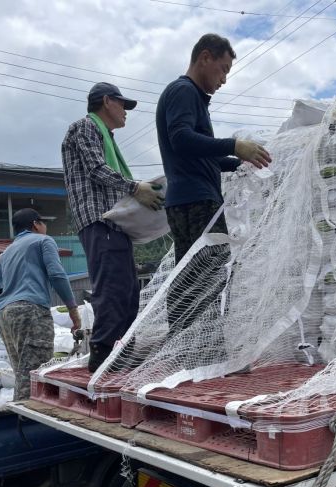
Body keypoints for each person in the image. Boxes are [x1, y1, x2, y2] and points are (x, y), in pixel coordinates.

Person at [62, 82, 164, 372]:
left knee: (129, 289)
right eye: (123, 105)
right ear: (107, 102)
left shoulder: (105, 135)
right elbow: (96, 168)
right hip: (99, 219)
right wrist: (135, 188)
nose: (126, 113)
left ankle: (124, 349)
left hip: (113, 222)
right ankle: (104, 354)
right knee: (112, 286)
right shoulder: (84, 127)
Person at [156, 33, 272, 263]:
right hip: (196, 202)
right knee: (206, 280)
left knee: (195, 281)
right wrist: (234, 145)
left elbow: (204, 157)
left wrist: (241, 163)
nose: (224, 80)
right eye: (224, 69)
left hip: (192, 201)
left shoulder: (192, 97)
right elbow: (181, 139)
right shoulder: (184, 90)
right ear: (205, 57)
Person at [0, 208, 82, 400]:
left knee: (22, 371)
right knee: (37, 373)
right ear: (36, 224)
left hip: (5, 315)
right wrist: (72, 309)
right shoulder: (44, 241)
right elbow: (57, 275)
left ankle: (21, 418)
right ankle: (29, 420)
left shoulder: (7, 252)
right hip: (30, 311)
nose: (45, 227)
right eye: (44, 223)